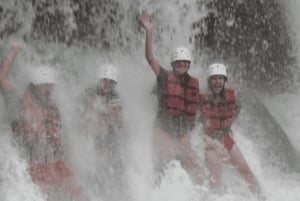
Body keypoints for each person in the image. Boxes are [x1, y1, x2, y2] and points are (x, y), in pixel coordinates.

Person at [0, 46, 88, 201]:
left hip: (53, 165)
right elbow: (2, 77)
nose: (49, 89)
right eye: (45, 85)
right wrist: (14, 51)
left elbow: (58, 143)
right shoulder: (18, 103)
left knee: (78, 193)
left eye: (50, 85)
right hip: (31, 165)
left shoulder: (52, 107)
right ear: (35, 85)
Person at [140, 11, 203, 185]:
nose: (181, 64)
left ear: (189, 64)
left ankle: (207, 194)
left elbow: (199, 108)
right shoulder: (164, 76)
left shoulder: (193, 83)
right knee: (170, 160)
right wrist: (149, 31)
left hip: (182, 130)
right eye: (178, 62)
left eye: (184, 62)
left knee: (193, 163)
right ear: (173, 64)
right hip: (163, 127)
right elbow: (150, 58)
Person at [199, 63, 263, 196]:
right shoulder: (202, 97)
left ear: (224, 80)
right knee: (216, 170)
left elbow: (239, 105)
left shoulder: (232, 95)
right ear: (209, 81)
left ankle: (261, 197)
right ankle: (216, 197)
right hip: (208, 140)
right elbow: (193, 118)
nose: (218, 82)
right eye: (214, 78)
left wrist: (231, 122)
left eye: (221, 78)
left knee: (245, 171)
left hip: (225, 137)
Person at [80, 64, 128, 201]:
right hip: (92, 137)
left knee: (116, 165)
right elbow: (85, 116)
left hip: (109, 138)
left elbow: (119, 122)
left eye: (111, 82)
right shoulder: (88, 92)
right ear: (99, 80)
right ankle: (94, 193)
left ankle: (120, 193)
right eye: (105, 80)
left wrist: (107, 113)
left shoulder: (115, 96)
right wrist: (105, 112)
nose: (107, 84)